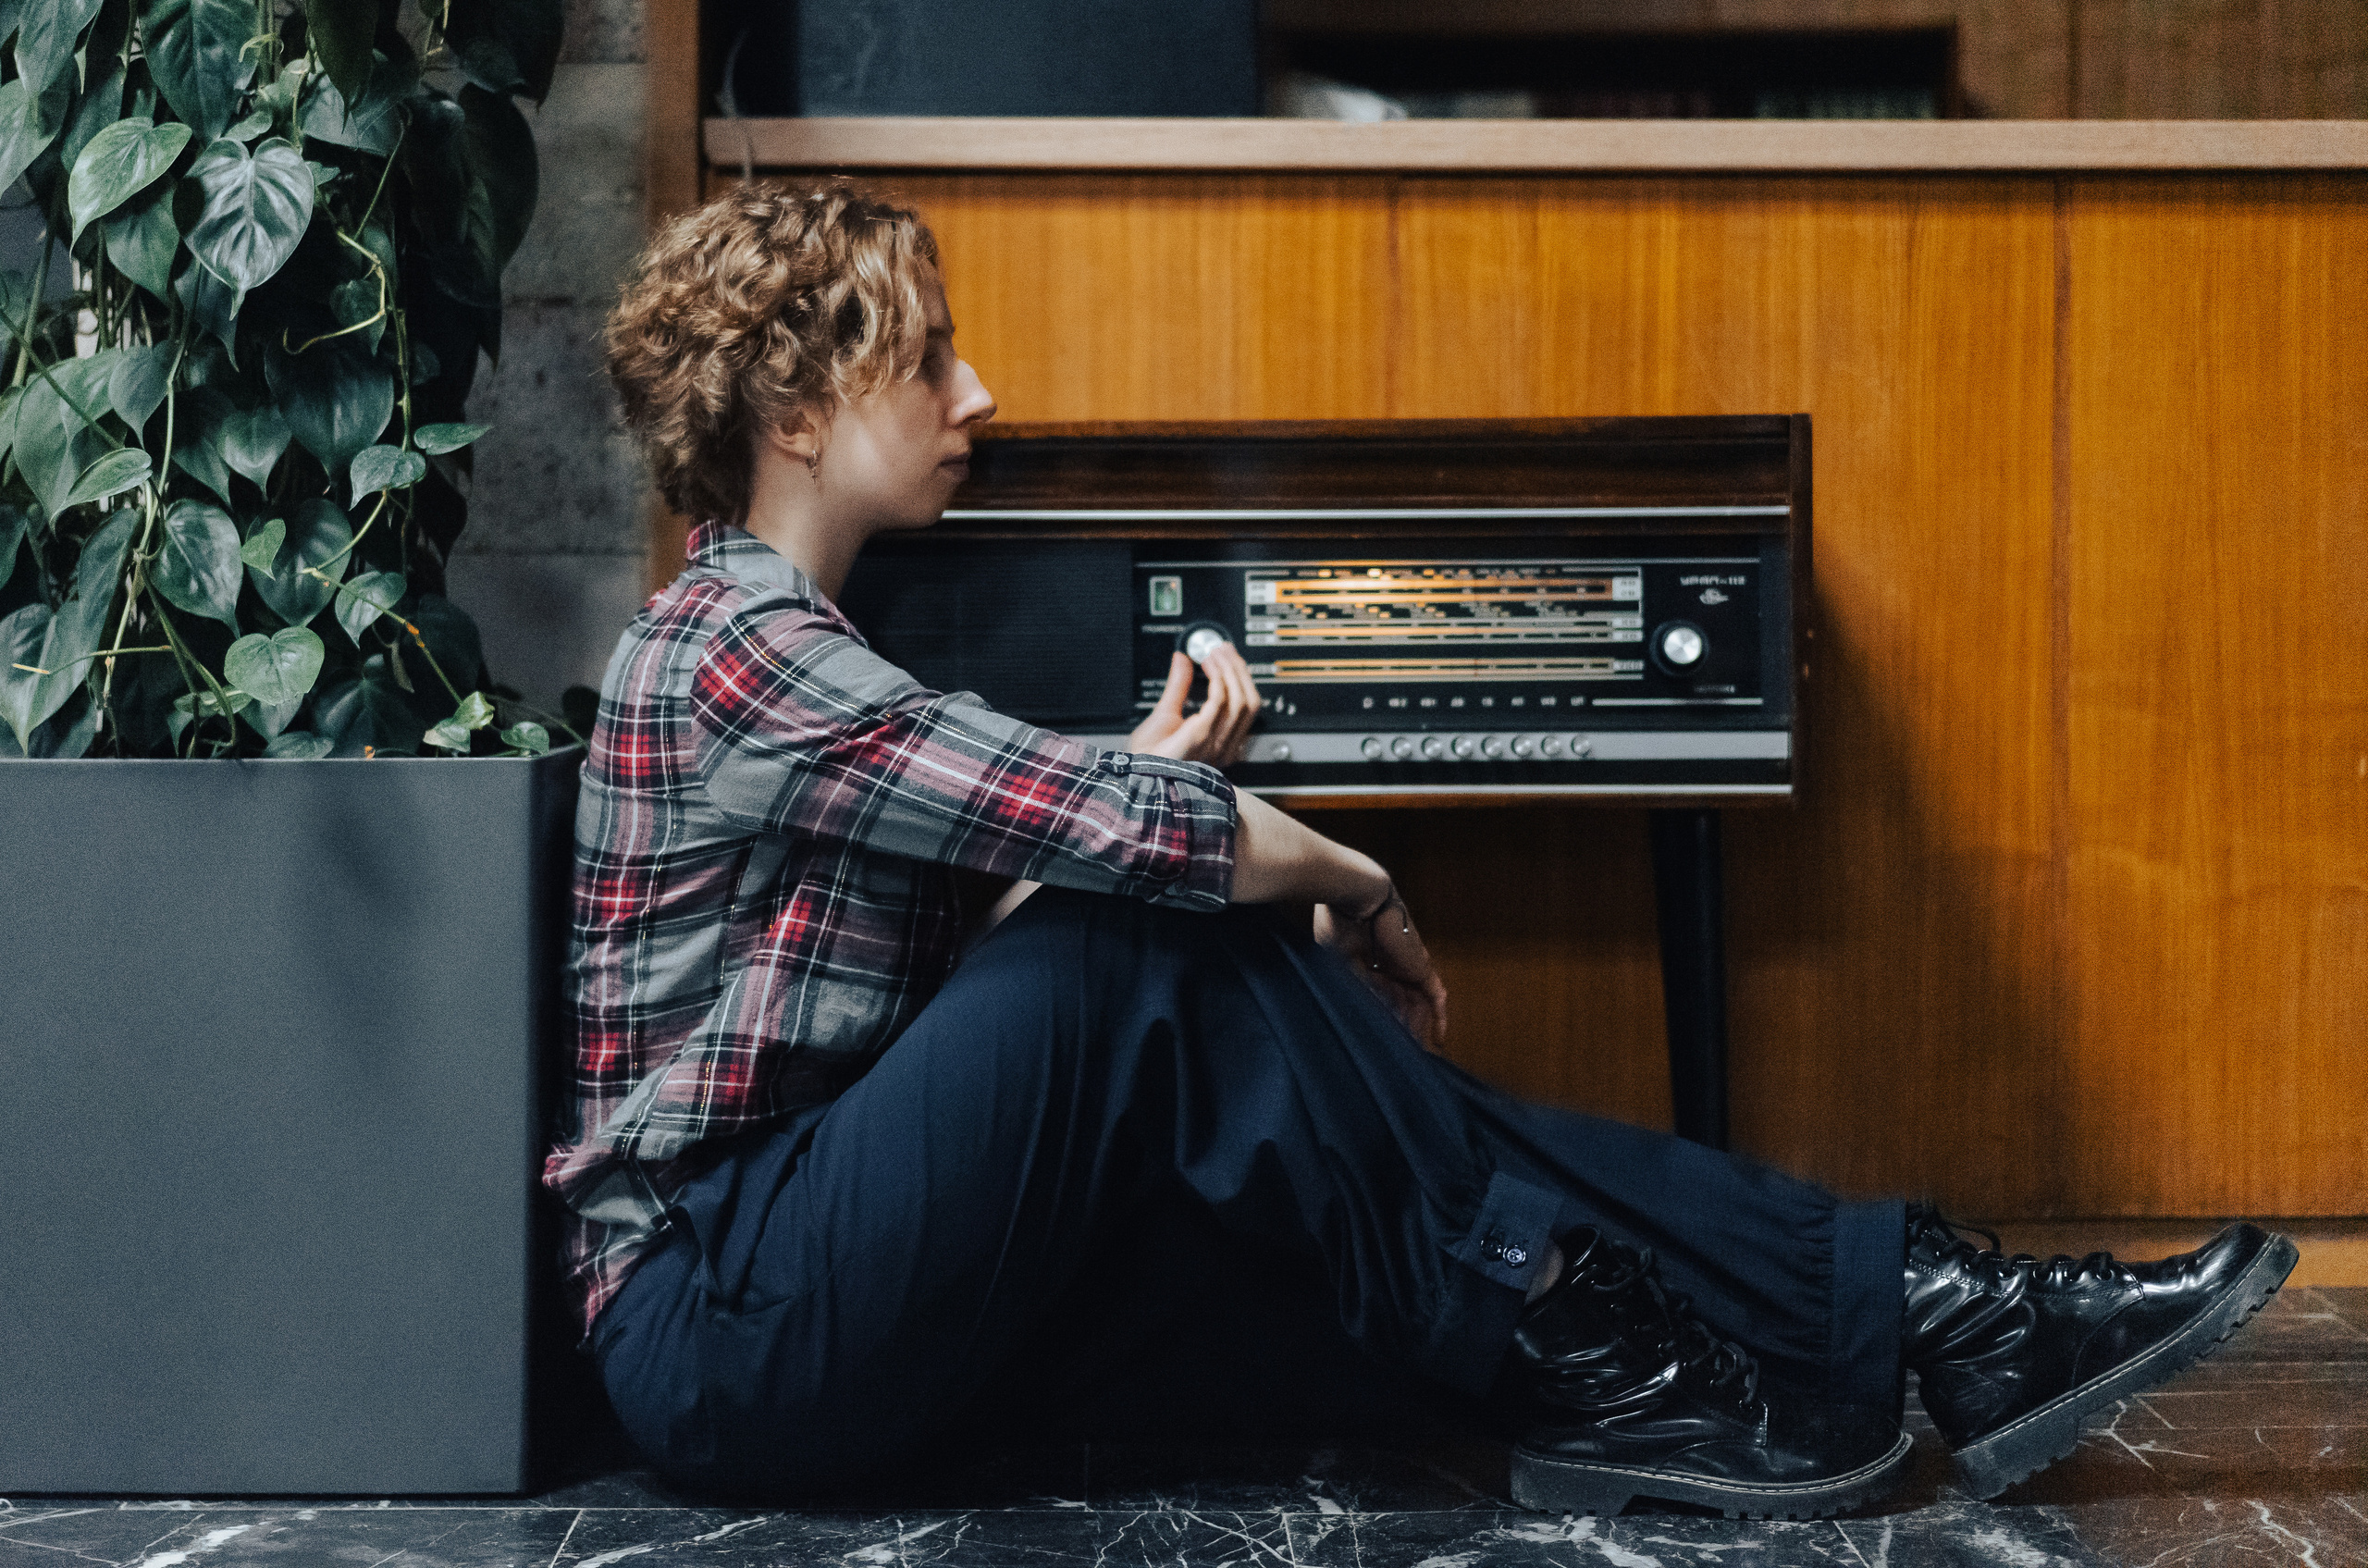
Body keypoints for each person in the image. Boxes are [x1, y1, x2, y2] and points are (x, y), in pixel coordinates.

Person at [550, 180, 2298, 1516]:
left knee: (1286, 1091)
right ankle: (1746, 1313)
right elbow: (1089, 866)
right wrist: (1341, 872)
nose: (976, 388)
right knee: (1161, 932)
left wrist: (1146, 830)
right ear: (791, 413)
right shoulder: (731, 645)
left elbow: (959, 962)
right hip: (722, 1320)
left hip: (825, 1272)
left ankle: (1893, 1307)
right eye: (925, 356)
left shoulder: (809, 659)